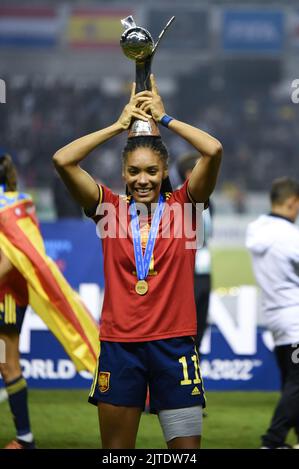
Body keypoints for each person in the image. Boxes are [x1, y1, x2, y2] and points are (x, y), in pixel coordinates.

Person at [53, 74, 222, 449]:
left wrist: (166, 119)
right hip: (120, 347)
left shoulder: (185, 209)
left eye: (150, 171)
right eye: (133, 171)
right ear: (122, 174)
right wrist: (118, 125)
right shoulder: (108, 211)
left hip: (174, 347)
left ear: (164, 173)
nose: (142, 179)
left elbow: (213, 150)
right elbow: (63, 160)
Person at [0, 153, 99, 449]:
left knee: (8, 365)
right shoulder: (20, 205)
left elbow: (10, 260)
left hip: (5, 298)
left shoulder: (9, 208)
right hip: (10, 296)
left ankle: (25, 438)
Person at [246, 177, 299, 449]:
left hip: (276, 319)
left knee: (293, 382)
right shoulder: (291, 236)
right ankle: (272, 441)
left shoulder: (257, 229)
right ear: (292, 202)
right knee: (298, 384)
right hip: (296, 318)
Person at [177, 153, 213, 351]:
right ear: (190, 173)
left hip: (204, 268)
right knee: (184, 324)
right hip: (184, 269)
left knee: (201, 321)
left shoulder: (207, 199)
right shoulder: (177, 198)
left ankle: (194, 366)